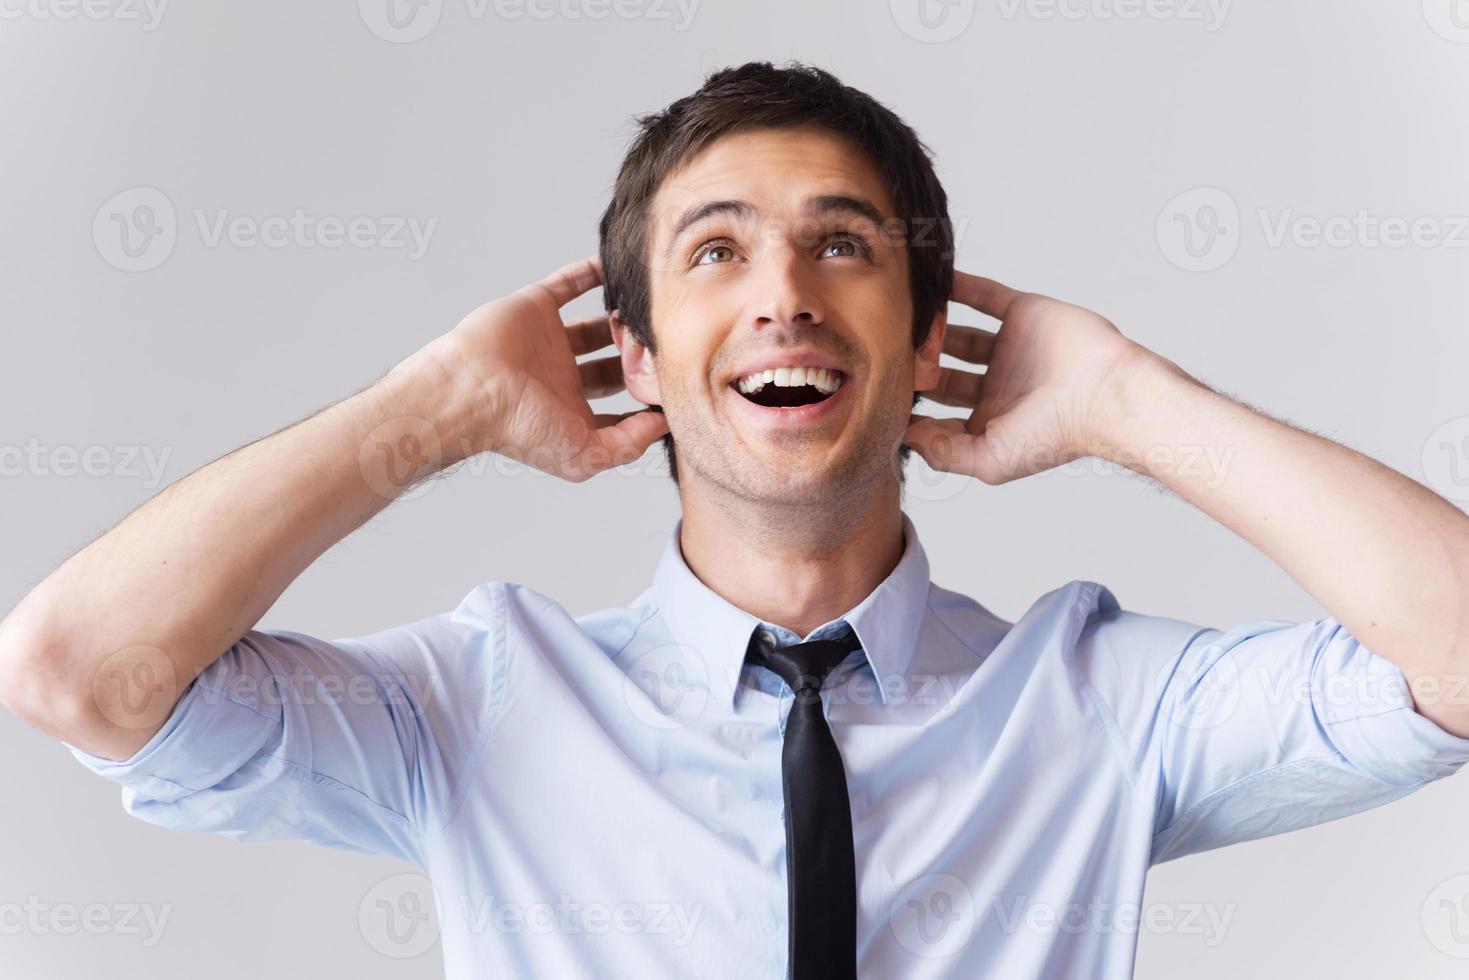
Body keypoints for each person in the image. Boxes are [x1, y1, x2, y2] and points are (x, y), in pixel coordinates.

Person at [3, 60, 1467, 980]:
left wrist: (1129, 401)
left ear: (925, 341)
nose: (783, 293)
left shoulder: (1098, 702)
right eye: (715, 252)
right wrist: (428, 410)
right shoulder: (476, 704)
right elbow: (75, 670)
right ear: (633, 356)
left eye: (842, 244)